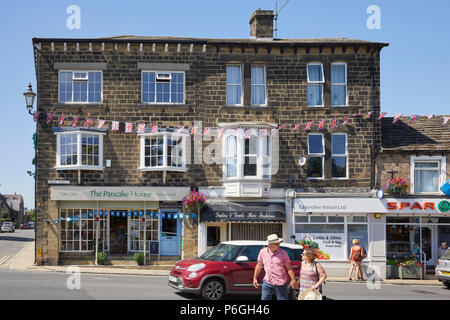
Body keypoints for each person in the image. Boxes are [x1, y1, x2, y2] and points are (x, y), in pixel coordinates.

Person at [253, 234, 298, 300]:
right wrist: (255, 278)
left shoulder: (283, 253)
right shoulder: (262, 252)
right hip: (267, 281)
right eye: (276, 244)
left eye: (279, 243)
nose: (279, 245)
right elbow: (259, 266)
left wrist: (293, 279)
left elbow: (289, 268)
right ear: (270, 244)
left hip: (280, 282)